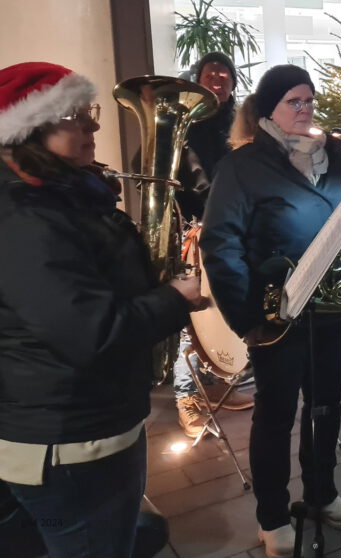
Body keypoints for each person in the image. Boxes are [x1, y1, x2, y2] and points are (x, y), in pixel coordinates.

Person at [0, 61, 203, 557]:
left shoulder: (61, 197)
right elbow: (91, 331)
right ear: (31, 129)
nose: (94, 126)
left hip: (85, 425)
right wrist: (175, 297)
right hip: (68, 442)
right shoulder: (25, 218)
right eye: (77, 116)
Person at [201, 65, 341, 558]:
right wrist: (247, 318)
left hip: (332, 306)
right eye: (294, 101)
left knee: (326, 405)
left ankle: (321, 494)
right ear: (268, 108)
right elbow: (220, 243)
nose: (305, 109)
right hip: (275, 315)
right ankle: (272, 516)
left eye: (310, 100)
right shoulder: (243, 165)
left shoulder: (335, 158)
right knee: (275, 415)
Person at [172, 51, 254, 439]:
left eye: (225, 75)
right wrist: (213, 213)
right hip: (194, 227)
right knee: (190, 313)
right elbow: (193, 173)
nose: (218, 79)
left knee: (219, 306)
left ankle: (214, 383)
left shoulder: (237, 122)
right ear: (198, 80)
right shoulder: (184, 123)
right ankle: (185, 396)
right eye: (211, 74)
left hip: (229, 226)